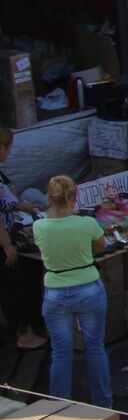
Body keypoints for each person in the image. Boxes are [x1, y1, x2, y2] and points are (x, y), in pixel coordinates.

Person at [33, 175, 112, 407]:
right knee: (95, 347)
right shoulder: (87, 224)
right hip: (88, 288)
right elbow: (100, 246)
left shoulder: (39, 226)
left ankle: (59, 405)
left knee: (61, 352)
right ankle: (103, 403)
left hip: (56, 292)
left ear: (49, 198)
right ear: (74, 197)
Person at [0, 128, 46, 349]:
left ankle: (30, 326)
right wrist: (7, 244)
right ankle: (24, 336)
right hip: (2, 240)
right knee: (12, 286)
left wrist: (20, 205)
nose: (9, 152)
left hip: (8, 234)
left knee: (20, 280)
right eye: (7, 148)